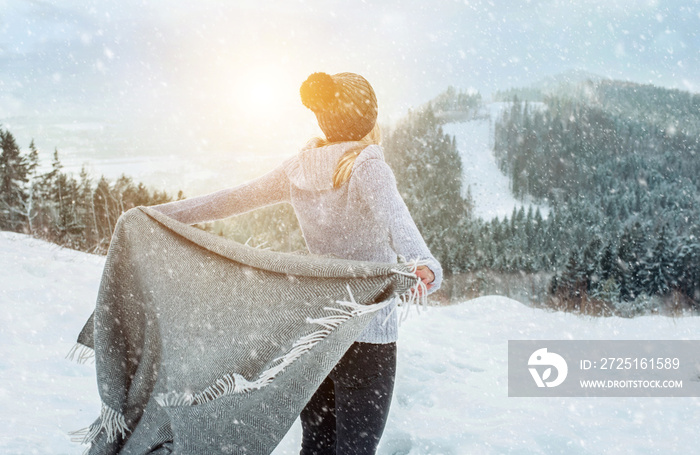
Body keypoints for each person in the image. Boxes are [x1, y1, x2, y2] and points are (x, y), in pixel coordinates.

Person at [152, 71, 442, 455]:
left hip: (317, 333)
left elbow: (231, 200)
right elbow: (407, 237)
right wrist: (428, 270)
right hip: (368, 335)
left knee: (317, 446)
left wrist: (159, 215)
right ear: (371, 117)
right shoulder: (367, 168)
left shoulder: (299, 169)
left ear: (323, 117)